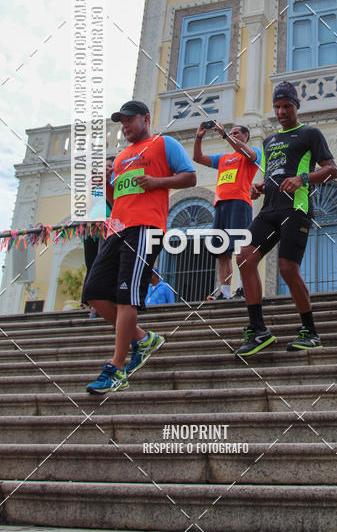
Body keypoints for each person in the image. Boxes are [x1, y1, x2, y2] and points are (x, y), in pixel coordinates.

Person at [83, 100, 196, 393]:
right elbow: (116, 198)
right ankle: (143, 339)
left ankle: (117, 369)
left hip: (146, 228)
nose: (125, 127)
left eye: (129, 120)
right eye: (122, 123)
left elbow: (190, 176)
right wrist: (102, 185)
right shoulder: (121, 157)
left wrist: (158, 182)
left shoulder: (164, 144)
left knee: (126, 298)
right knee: (94, 292)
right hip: (116, 229)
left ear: (146, 119)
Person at [235, 81, 337, 356]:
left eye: (287, 106)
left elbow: (332, 171)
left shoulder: (310, 134)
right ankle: (258, 330)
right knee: (244, 257)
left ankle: (310, 331)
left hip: (296, 209)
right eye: (277, 107)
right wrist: (261, 186)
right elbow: (274, 173)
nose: (281, 112)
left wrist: (302, 178)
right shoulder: (269, 141)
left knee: (287, 268)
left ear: (296, 106)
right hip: (269, 209)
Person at [193, 122, 261, 301]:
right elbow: (198, 158)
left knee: (241, 248)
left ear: (246, 136)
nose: (233, 134)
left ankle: (243, 288)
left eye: (236, 133)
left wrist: (225, 134)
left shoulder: (253, 152)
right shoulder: (223, 158)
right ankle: (224, 292)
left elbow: (249, 154)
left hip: (240, 204)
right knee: (222, 252)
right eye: (231, 132)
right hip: (221, 205)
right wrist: (199, 136)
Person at [82, 156, 115, 318]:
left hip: (109, 229)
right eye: (106, 166)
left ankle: (103, 301)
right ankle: (88, 303)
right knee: (92, 264)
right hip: (92, 229)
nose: (108, 168)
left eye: (111, 166)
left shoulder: (115, 186)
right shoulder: (94, 185)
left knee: (104, 264)